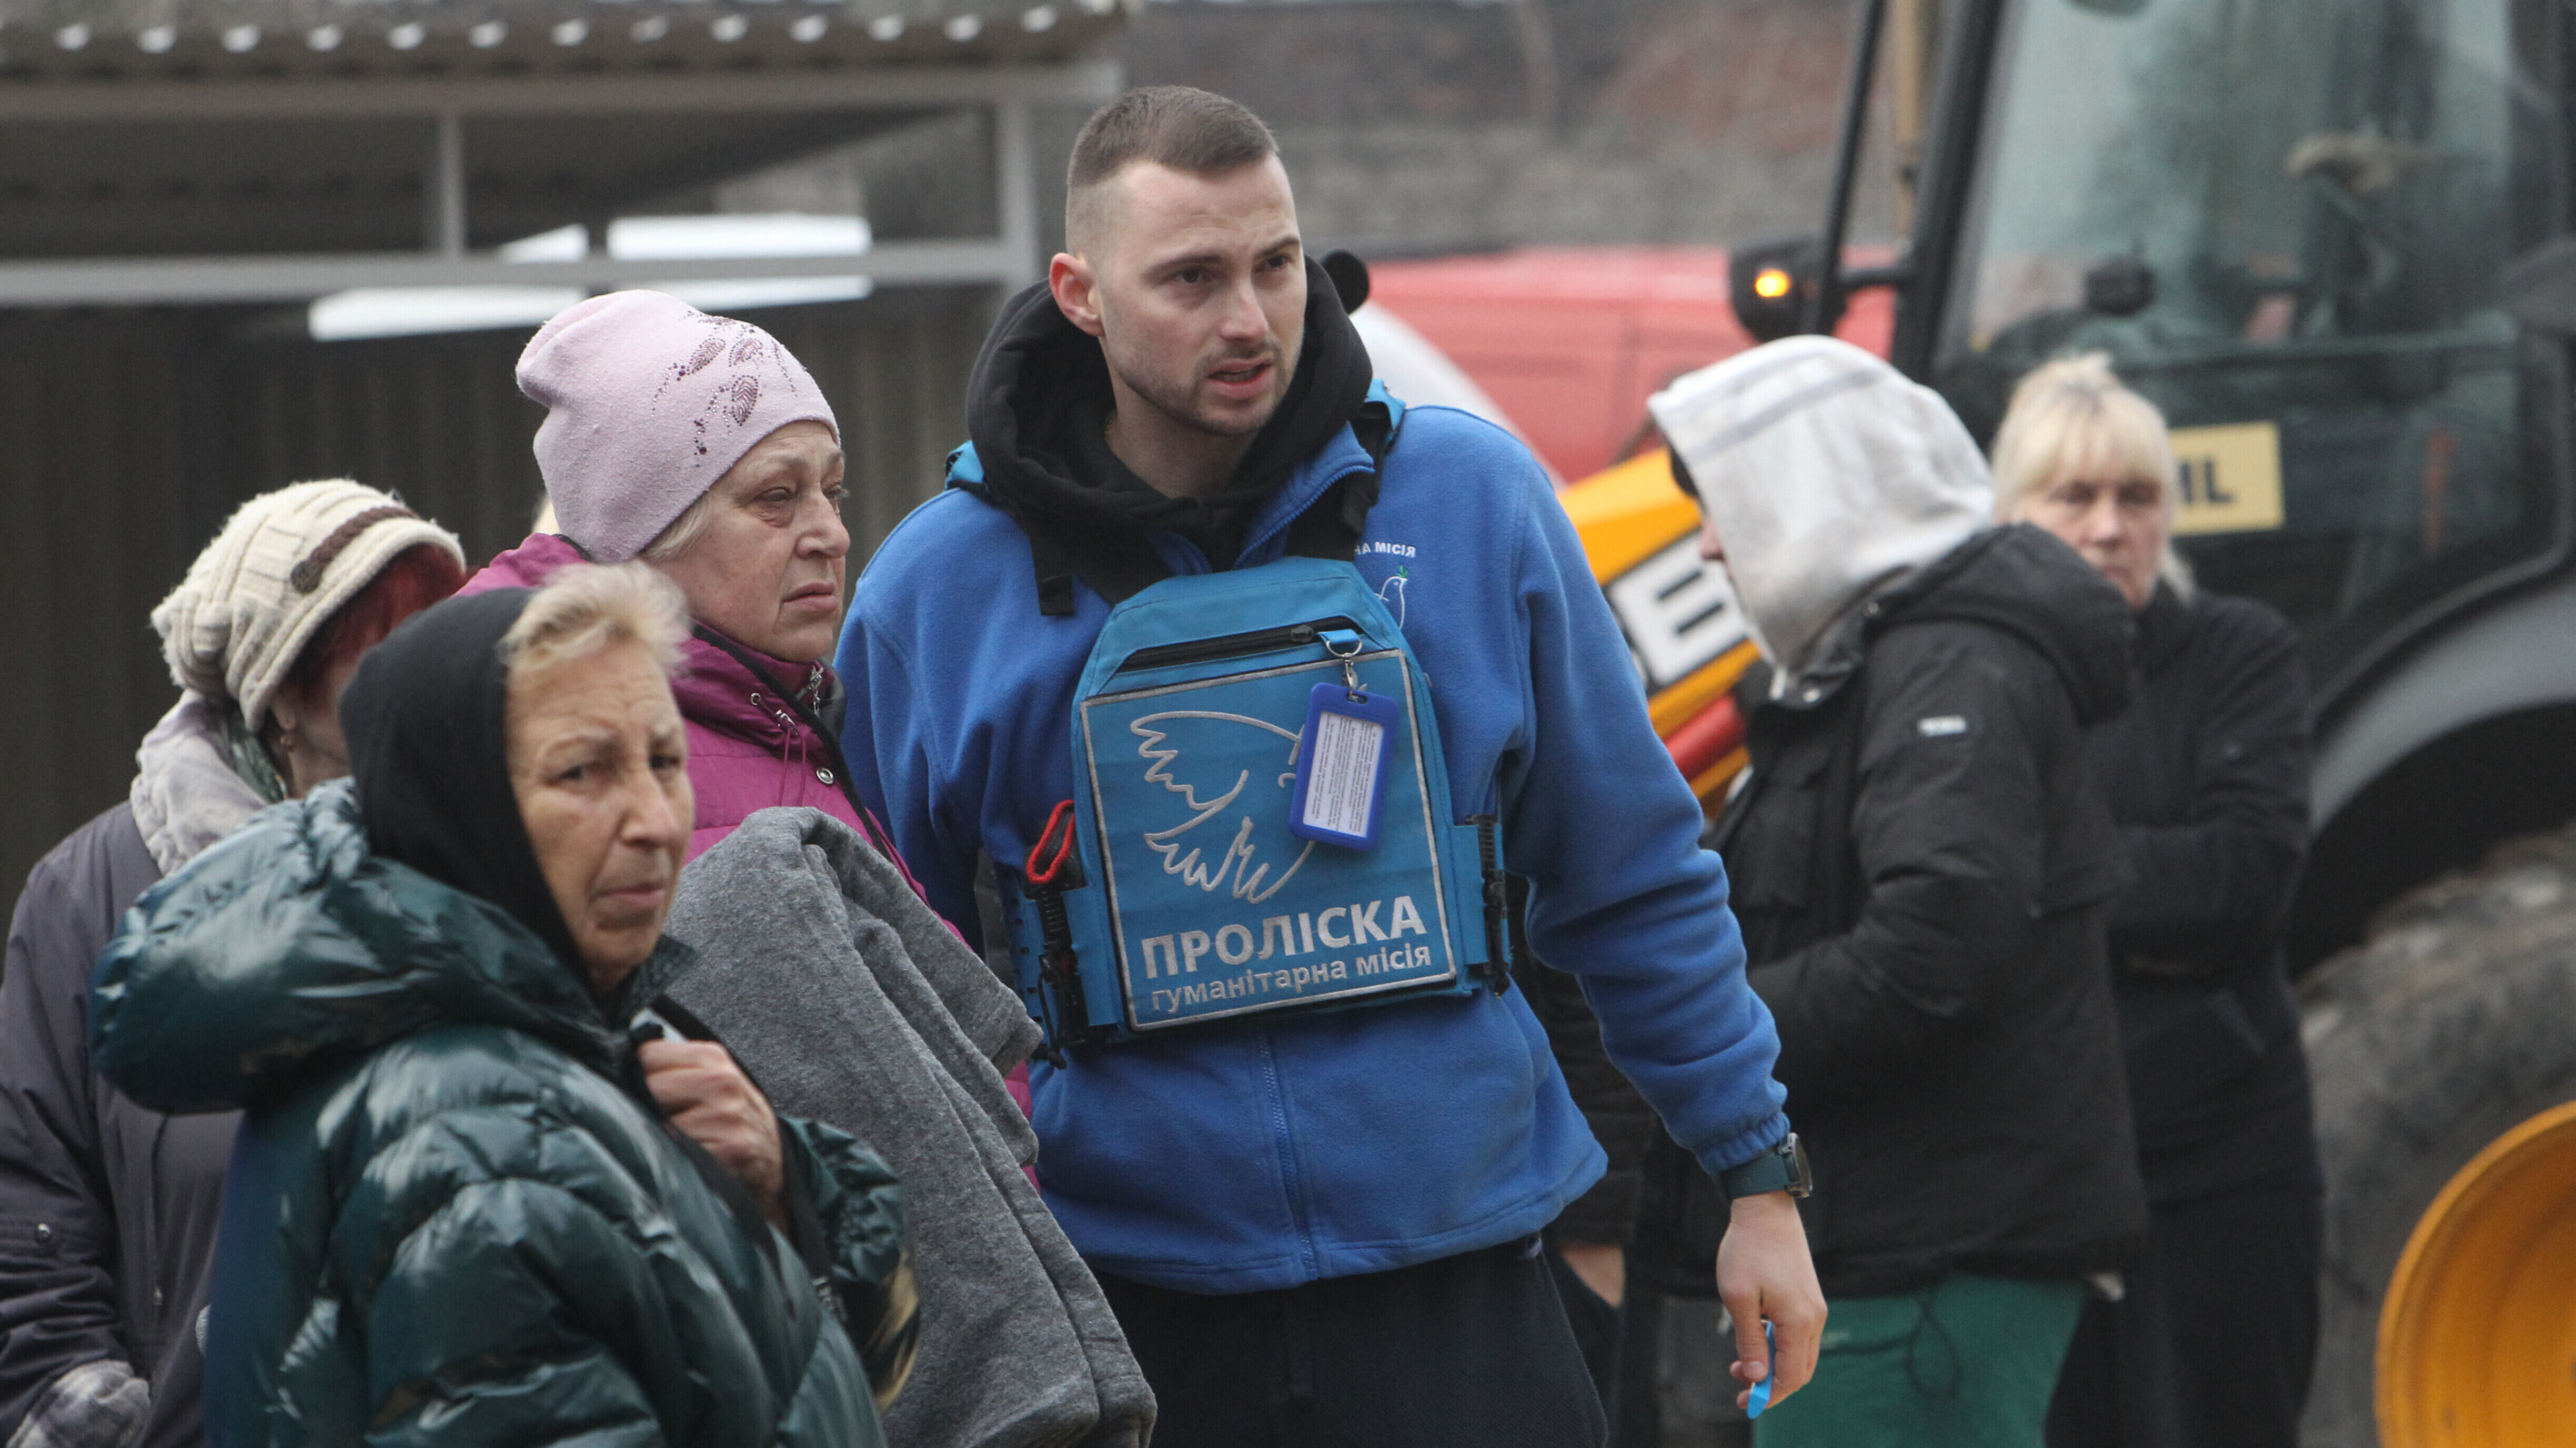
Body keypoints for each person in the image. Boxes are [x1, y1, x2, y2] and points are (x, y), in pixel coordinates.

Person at [838, 85, 1823, 1447]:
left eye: (1276, 264)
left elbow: (1632, 870)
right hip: (1131, 1313)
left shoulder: (1474, 504)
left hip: (1465, 1290)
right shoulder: (936, 595)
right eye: (1190, 277)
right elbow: (888, 997)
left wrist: (1755, 1175)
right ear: (1080, 292)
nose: (1248, 319)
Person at [86, 565, 919, 1445]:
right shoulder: (481, 1140)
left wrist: (781, 1189)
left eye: (664, 760)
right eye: (581, 771)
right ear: (462, 805)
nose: (652, 818)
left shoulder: (576, 1035)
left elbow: (827, 1370)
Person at [1643, 335, 2149, 1448]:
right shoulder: (1874, 662)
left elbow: (1931, 951)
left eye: (1729, 502)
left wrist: (1686, 1038)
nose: (1711, 544)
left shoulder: (1950, 665)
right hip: (1889, 1246)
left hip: (1926, 1260)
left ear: (1815, 490)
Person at [0, 480, 465, 1448]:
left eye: (439, 630)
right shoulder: (95, 892)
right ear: (281, 687)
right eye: (385, 637)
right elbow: (32, 1201)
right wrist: (93, 1414)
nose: (426, 668)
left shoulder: (487, 857)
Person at [1995, 356, 2320, 1448]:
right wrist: (2138, 894)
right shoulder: (1975, 678)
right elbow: (1938, 896)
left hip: (2223, 1154)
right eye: (2072, 497)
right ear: (2011, 514)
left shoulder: (2240, 652)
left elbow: (2241, 881)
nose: (2106, 527)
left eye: (2135, 498)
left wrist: (2039, 880)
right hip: (2038, 1166)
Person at [465, 289, 912, 868]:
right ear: (648, 536)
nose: (834, 536)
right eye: (777, 496)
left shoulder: (796, 728)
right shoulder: (566, 771)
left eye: (833, 492)